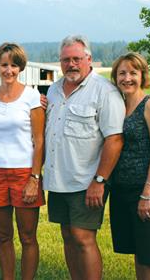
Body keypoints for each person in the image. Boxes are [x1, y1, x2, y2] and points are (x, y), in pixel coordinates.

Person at [43, 35, 125, 280]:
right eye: (66, 60)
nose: (72, 64)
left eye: (77, 59)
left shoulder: (104, 92)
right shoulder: (55, 90)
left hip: (87, 180)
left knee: (83, 237)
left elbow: (115, 139)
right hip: (58, 179)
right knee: (67, 235)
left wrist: (99, 181)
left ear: (88, 59)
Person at [0, 43, 45, 279]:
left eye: (14, 65)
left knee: (27, 237)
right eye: (4, 65)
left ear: (20, 68)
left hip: (24, 172)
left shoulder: (31, 96)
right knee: (3, 236)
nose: (9, 70)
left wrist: (34, 178)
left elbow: (39, 140)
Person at [109, 52, 150, 279]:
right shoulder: (118, 106)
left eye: (133, 73)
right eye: (122, 73)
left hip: (148, 190)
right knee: (139, 255)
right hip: (123, 190)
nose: (127, 78)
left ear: (142, 75)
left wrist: (147, 193)